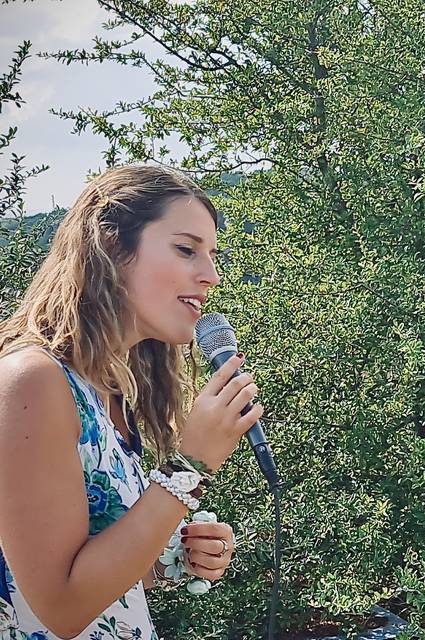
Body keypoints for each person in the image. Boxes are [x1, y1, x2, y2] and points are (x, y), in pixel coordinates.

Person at [0, 165, 263, 638]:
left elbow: (99, 573)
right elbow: (59, 607)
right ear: (113, 247)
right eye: (187, 250)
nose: (211, 276)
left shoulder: (110, 394)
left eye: (212, 255)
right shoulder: (32, 381)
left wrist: (173, 558)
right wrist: (190, 466)